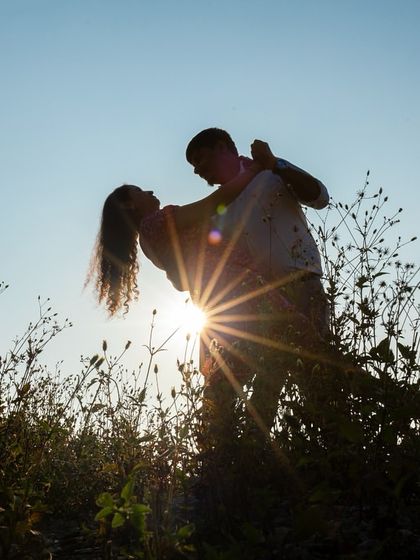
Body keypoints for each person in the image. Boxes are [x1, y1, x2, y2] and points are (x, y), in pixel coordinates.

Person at [87, 154, 320, 441]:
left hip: (218, 304)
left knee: (245, 374)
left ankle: (237, 448)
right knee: (298, 342)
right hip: (239, 292)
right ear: (129, 204)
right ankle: (249, 442)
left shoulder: (148, 240)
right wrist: (259, 166)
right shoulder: (157, 222)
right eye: (140, 191)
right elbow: (214, 204)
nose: (148, 192)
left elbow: (180, 279)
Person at [185, 128, 330, 336]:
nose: (196, 171)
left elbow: (320, 197)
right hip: (261, 307)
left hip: (303, 285)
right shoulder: (217, 211)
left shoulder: (270, 170)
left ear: (220, 147)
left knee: (321, 360)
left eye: (199, 159)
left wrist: (275, 164)